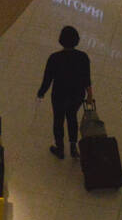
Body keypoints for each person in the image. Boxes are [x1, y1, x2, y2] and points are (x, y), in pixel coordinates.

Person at [37, 26, 93, 159]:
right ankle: (73, 147)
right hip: (77, 95)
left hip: (59, 95)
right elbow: (87, 78)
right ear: (77, 40)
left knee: (58, 120)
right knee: (72, 117)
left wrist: (41, 92)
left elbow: (48, 79)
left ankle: (60, 148)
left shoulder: (54, 58)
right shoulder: (83, 57)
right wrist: (89, 94)